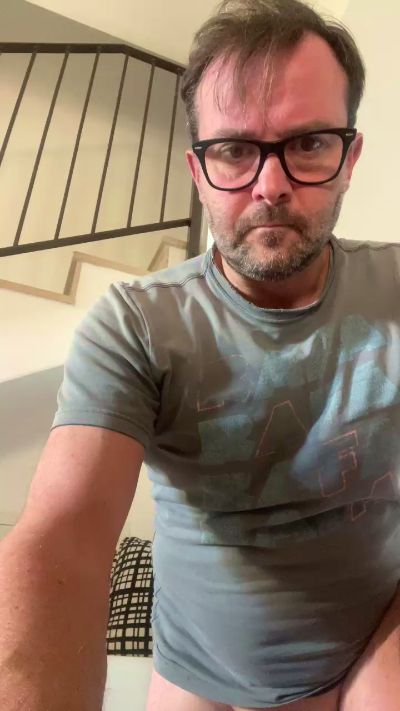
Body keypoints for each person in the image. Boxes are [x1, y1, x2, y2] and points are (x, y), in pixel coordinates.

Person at [1, 0, 400, 710]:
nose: (270, 186)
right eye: (234, 150)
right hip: (194, 682)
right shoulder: (135, 324)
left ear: (350, 158)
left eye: (309, 143)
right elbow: (64, 538)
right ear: (197, 168)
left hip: (370, 659)